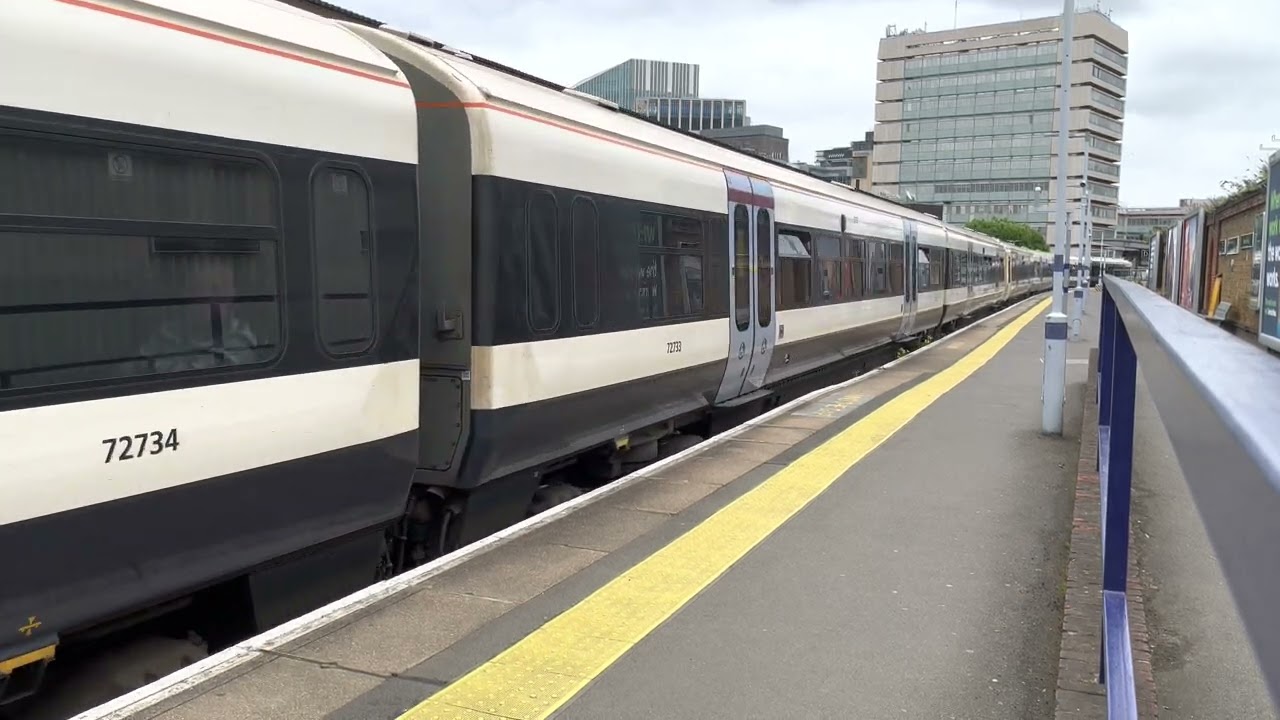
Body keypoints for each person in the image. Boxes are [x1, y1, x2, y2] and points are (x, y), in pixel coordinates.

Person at [140, 259, 263, 374]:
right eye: (201, 287)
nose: (214, 296)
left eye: (221, 288)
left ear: (232, 295)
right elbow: (143, 369)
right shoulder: (166, 336)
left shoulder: (242, 339)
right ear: (187, 294)